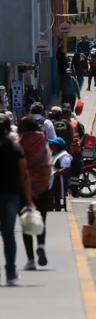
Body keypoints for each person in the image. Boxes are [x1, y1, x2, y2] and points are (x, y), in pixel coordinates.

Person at [0, 113, 34, 285]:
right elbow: (24, 176)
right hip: (10, 196)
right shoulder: (15, 149)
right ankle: (11, 273)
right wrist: (29, 200)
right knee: (8, 234)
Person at [18, 116, 52, 271]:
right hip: (43, 186)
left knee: (26, 222)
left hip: (25, 189)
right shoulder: (43, 143)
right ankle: (41, 245)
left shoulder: (20, 144)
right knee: (41, 219)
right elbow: (47, 163)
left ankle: (31, 259)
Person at [63, 104, 84, 195]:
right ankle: (67, 189)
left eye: (67, 115)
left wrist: (79, 143)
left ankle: (74, 190)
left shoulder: (76, 123)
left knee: (75, 171)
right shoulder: (60, 124)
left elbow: (82, 135)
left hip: (75, 151)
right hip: (66, 152)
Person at [49, 137, 72, 212]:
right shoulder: (52, 154)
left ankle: (57, 204)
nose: (51, 145)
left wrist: (55, 174)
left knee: (56, 183)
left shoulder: (64, 155)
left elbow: (65, 168)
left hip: (59, 178)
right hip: (50, 176)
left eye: (53, 144)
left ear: (58, 146)